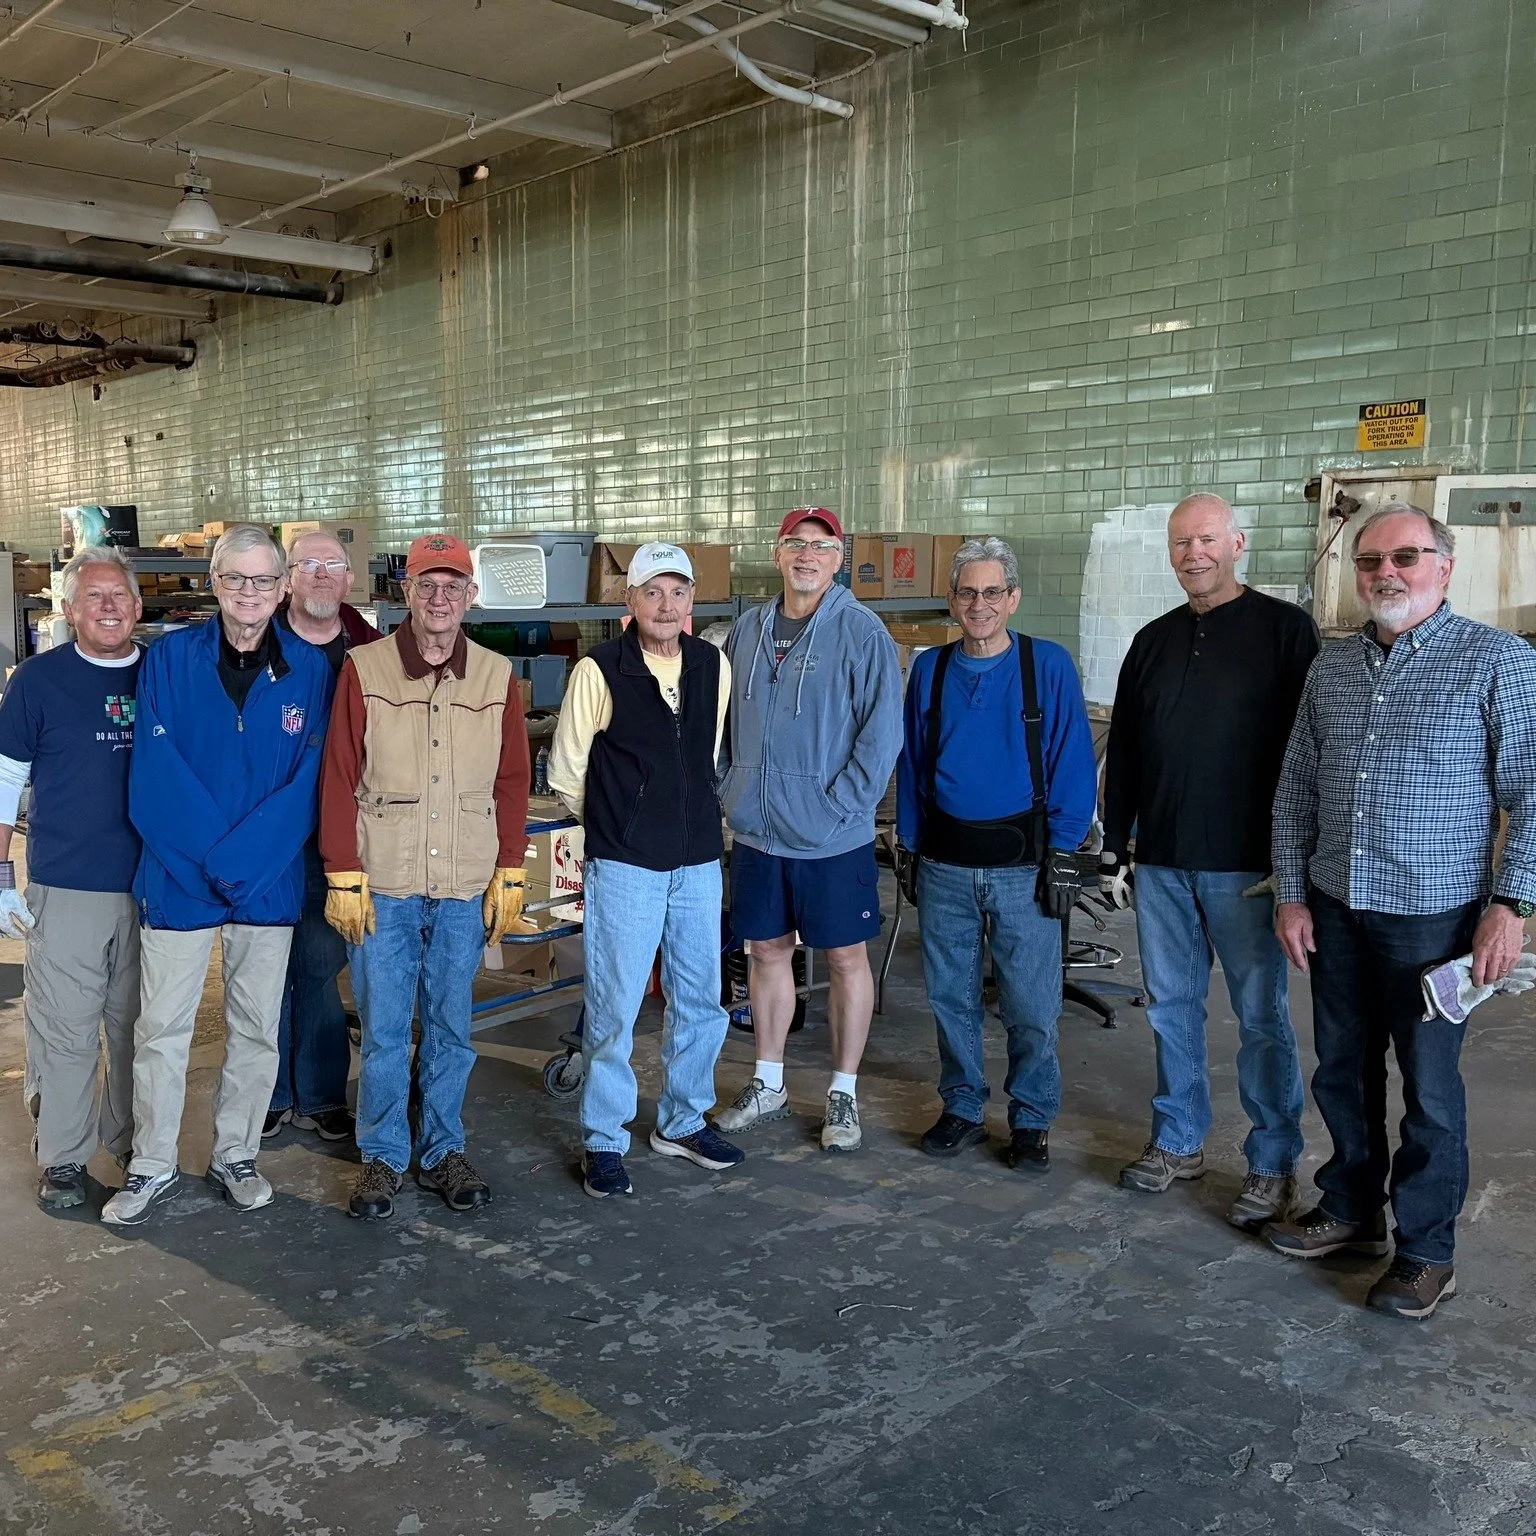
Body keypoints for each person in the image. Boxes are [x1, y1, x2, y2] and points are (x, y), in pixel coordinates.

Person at [1266, 501, 1536, 1319]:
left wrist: (1510, 904)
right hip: (1336, 906)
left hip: (1434, 919)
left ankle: (1426, 1252)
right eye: (1371, 560)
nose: (1387, 573)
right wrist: (1288, 893)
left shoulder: (1497, 661)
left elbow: (1532, 796)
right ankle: (1351, 1210)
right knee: (1341, 1072)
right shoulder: (1332, 668)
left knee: (1430, 1090)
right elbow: (1296, 790)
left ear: (1444, 566)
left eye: (1406, 557)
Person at [102, 524, 334, 1227]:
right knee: (161, 1029)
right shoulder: (169, 660)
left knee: (256, 1028)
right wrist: (214, 864)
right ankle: (151, 1163)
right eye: (235, 578)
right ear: (214, 582)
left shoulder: (311, 670)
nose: (249, 593)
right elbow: (154, 773)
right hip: (178, 878)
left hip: (265, 882)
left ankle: (237, 1152)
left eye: (264, 580)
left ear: (283, 587)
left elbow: (306, 787)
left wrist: (240, 866)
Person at [1101, 494, 1319, 1229]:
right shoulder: (1153, 641)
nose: (1192, 554)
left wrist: (1297, 864)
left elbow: (1307, 755)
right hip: (1162, 861)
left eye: (1205, 540)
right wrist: (1116, 845)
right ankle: (1179, 1140)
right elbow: (1125, 748)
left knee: (1260, 1018)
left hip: (1248, 868)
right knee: (1169, 1010)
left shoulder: (1286, 632)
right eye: (1180, 543)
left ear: (1237, 544)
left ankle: (1272, 1161)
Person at [320, 532, 530, 1221]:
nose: (440, 599)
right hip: (385, 880)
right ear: (405, 594)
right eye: (426, 586)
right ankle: (382, 1156)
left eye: (453, 586)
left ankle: (441, 1150)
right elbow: (341, 774)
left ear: (471, 596)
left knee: (449, 1027)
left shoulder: (497, 676)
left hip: (465, 882)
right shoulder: (366, 668)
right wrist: (343, 871)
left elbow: (511, 780)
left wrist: (509, 865)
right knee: (384, 1030)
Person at [896, 537, 1096, 1170]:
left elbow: (1072, 759)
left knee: (1031, 1003)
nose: (978, 605)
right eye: (966, 593)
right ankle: (962, 1106)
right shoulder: (929, 670)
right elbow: (913, 763)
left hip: (1024, 866)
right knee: (950, 996)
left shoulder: (1048, 665)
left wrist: (1065, 851)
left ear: (1012, 598)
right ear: (952, 600)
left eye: (991, 592)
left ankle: (1032, 1118)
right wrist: (908, 843)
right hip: (945, 862)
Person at [548, 542, 741, 1198]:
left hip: (696, 861)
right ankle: (604, 1138)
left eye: (678, 592)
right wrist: (619, 824)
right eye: (652, 592)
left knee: (700, 1001)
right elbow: (567, 771)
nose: (667, 605)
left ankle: (682, 1121)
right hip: (626, 864)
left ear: (692, 600)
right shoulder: (600, 671)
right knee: (615, 1005)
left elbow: (710, 750)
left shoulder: (714, 664)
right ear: (628, 601)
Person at [714, 508, 902, 1152]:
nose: (807, 555)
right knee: (766, 953)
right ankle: (768, 1081)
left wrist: (836, 809)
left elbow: (882, 737)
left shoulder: (861, 632)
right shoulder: (745, 631)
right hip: (759, 834)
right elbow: (718, 723)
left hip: (831, 836)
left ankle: (843, 1093)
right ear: (778, 551)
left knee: (846, 959)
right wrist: (727, 790)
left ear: (838, 558)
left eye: (821, 546)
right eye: (796, 543)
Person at [0, 547, 143, 1210]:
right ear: (68, 611)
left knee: (136, 1026)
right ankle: (63, 1157)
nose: (108, 606)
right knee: (66, 1026)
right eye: (94, 596)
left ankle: (132, 1142)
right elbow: (5, 782)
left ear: (139, 607)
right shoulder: (38, 681)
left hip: (154, 888)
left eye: (119, 595)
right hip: (67, 885)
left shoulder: (166, 674)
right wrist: (2, 873)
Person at [262, 529, 375, 1144]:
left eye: (334, 565)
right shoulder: (255, 643)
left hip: (341, 841)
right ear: (287, 578)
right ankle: (271, 1093)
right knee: (265, 971)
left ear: (349, 577)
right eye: (309, 565)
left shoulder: (370, 649)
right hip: (269, 839)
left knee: (321, 968)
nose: (323, 575)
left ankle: (323, 1094)